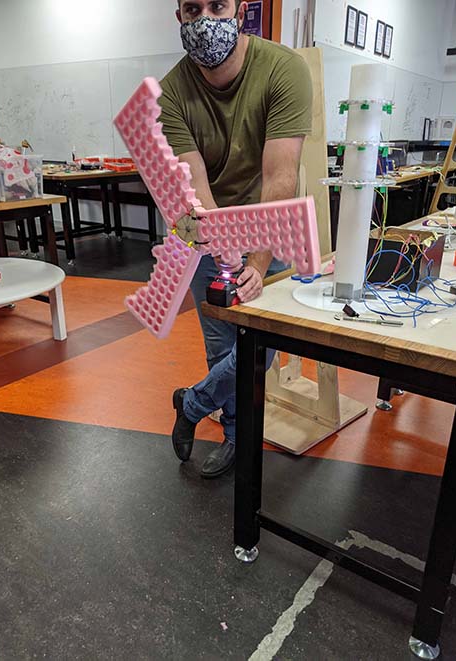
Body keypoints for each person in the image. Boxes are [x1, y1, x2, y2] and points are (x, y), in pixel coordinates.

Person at [159, 0, 313, 477]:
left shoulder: (284, 69)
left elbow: (279, 179)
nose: (205, 18)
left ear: (240, 8)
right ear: (179, 15)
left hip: (270, 221)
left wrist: (259, 265)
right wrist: (224, 259)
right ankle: (233, 437)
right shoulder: (168, 95)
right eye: (192, 8)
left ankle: (191, 404)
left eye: (217, 5)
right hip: (200, 225)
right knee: (223, 344)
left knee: (260, 345)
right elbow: (195, 193)